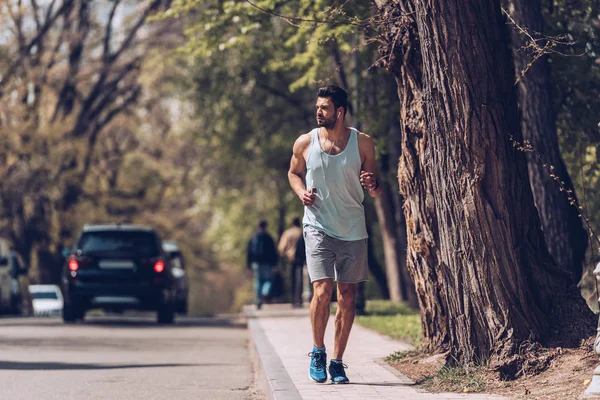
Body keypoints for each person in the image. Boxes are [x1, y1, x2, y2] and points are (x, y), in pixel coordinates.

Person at [287, 85, 381, 384]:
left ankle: (338, 362)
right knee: (322, 291)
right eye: (318, 107)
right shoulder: (304, 142)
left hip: (353, 229)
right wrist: (302, 193)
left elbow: (376, 189)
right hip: (317, 227)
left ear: (339, 112)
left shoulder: (363, 143)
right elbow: (293, 173)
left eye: (324, 108)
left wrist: (372, 183)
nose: (318, 111)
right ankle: (318, 351)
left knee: (348, 296)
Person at [247, 220, 278, 310]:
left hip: (256, 263)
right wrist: (275, 264)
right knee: (268, 280)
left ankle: (258, 300)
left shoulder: (253, 238)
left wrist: (248, 265)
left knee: (258, 282)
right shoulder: (269, 238)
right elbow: (273, 252)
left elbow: (249, 252)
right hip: (268, 263)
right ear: (266, 227)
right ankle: (265, 291)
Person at [278, 217, 304, 308]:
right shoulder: (302, 232)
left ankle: (293, 300)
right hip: (301, 258)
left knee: (292, 279)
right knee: (300, 279)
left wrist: (286, 254)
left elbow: (281, 248)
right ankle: (299, 299)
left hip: (290, 258)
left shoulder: (287, 233)